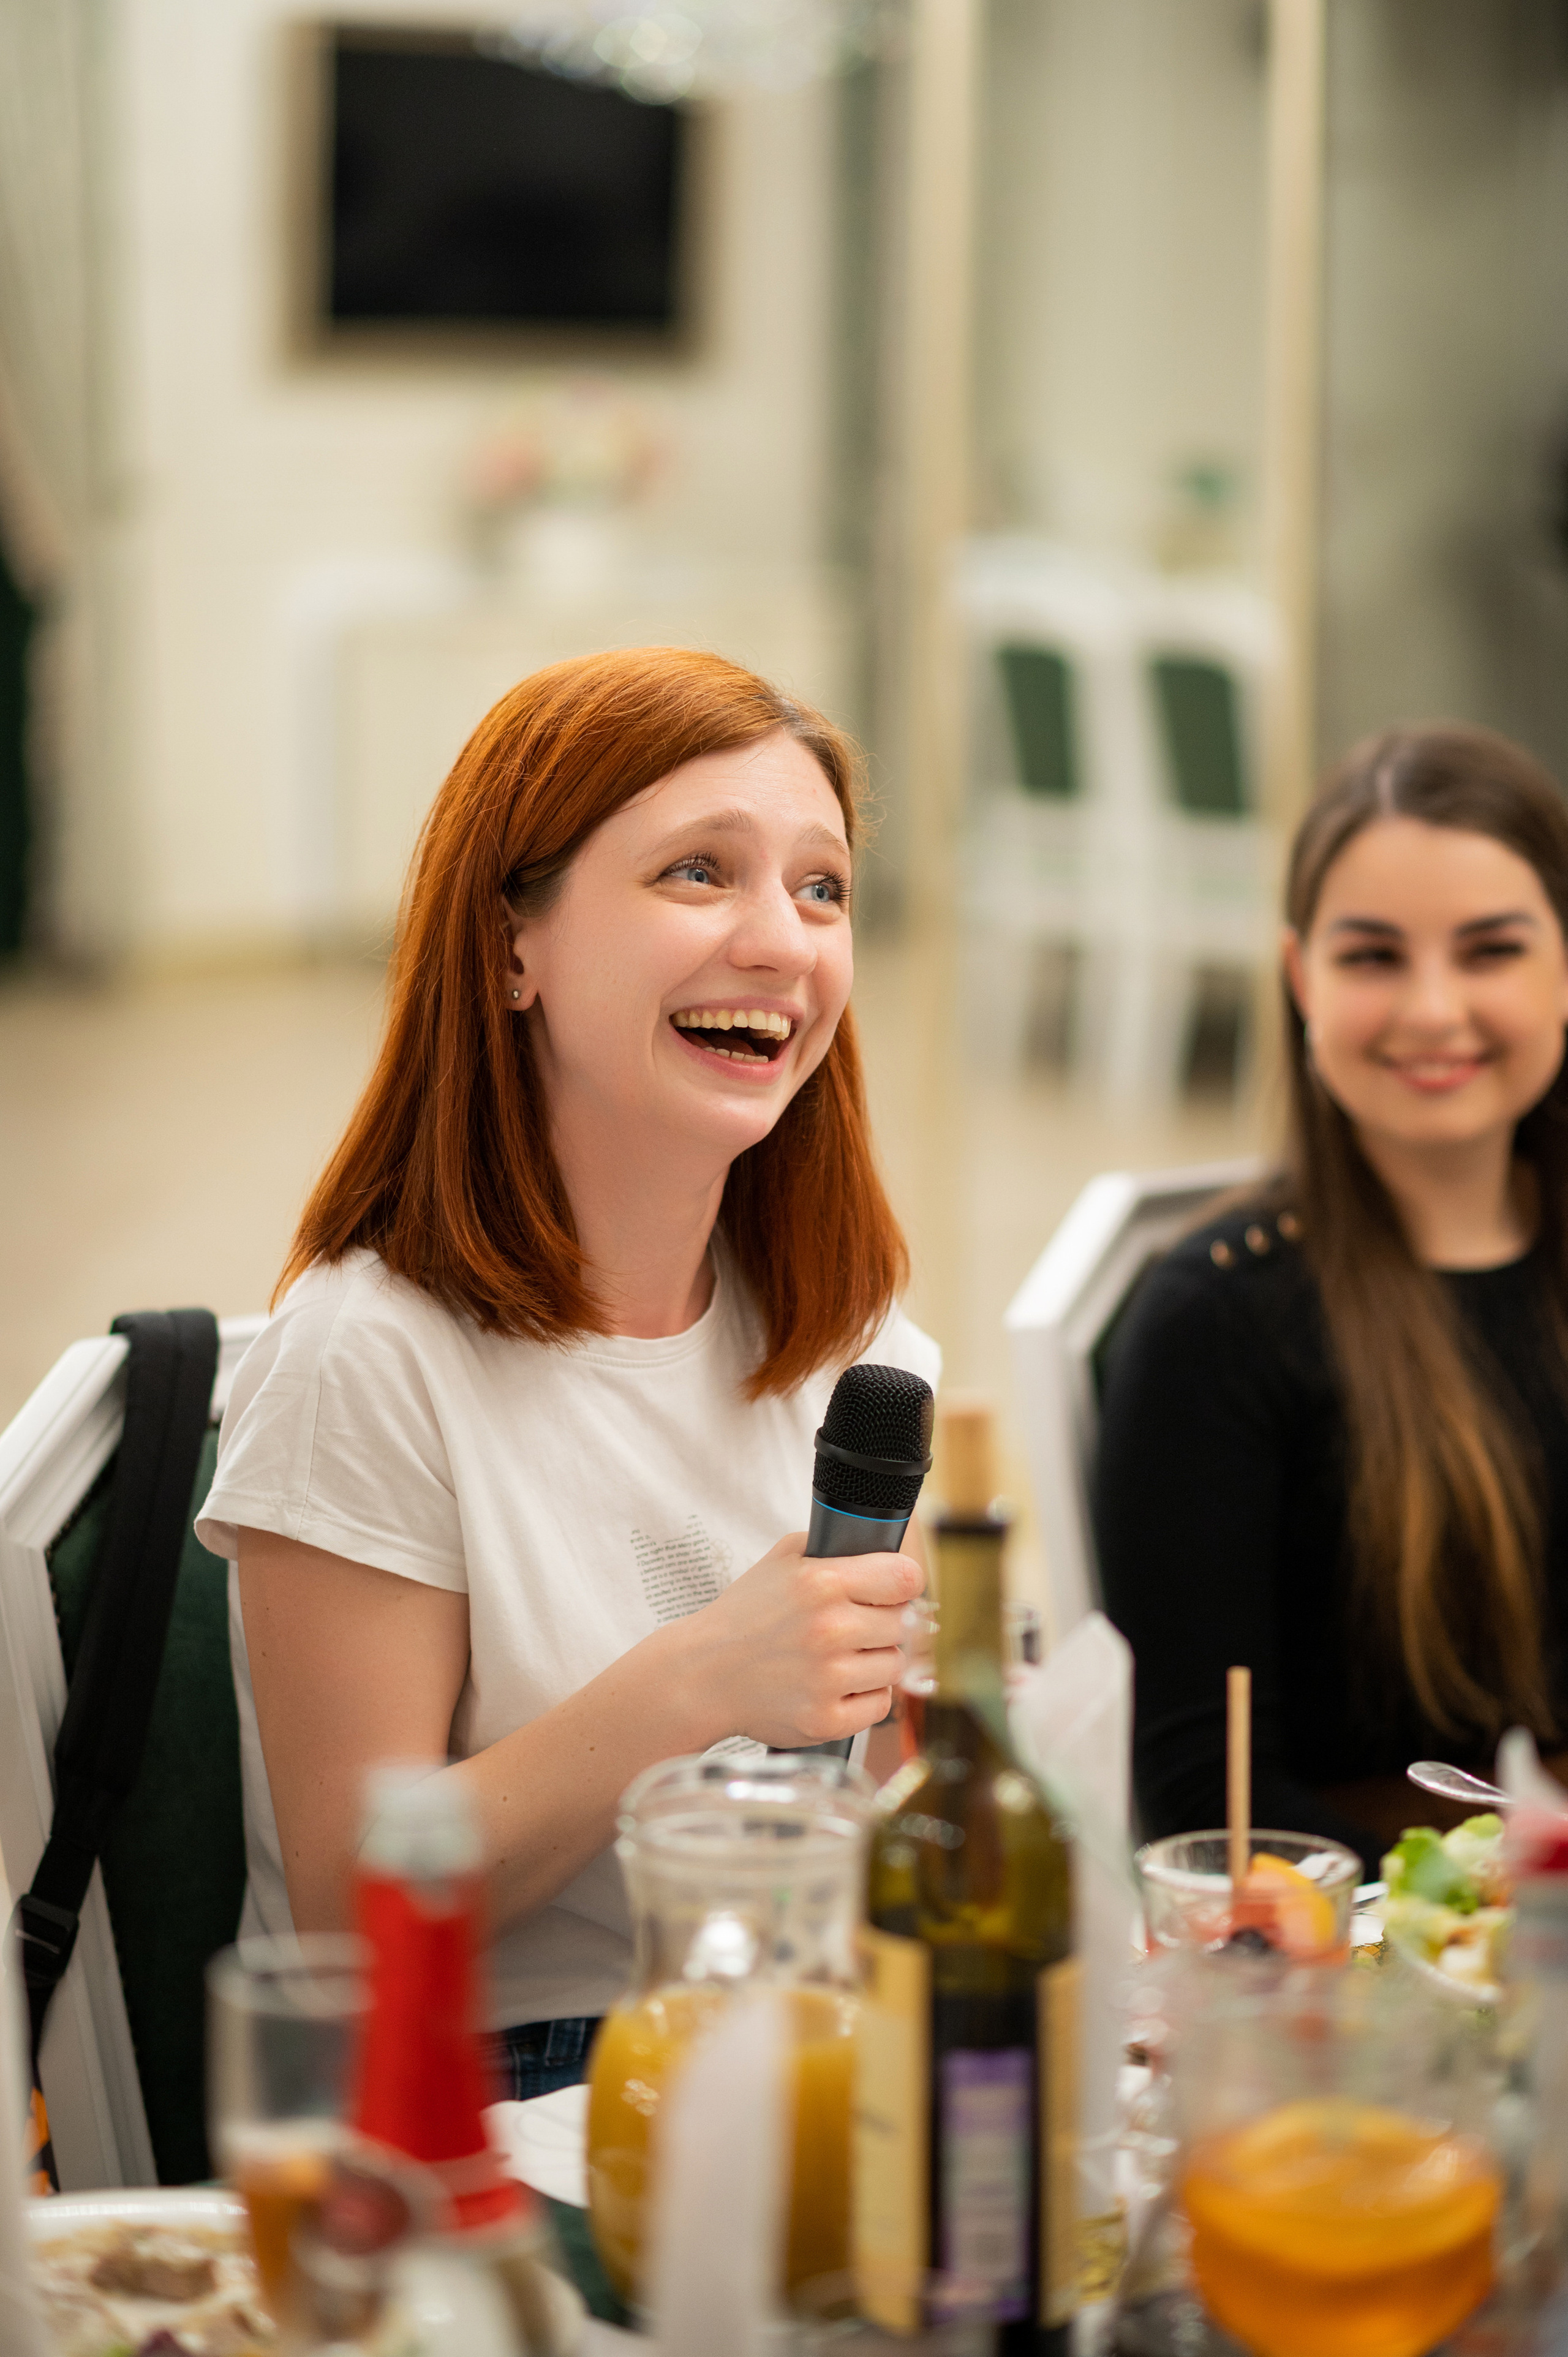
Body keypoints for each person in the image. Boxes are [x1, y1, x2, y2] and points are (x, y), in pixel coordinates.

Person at [196, 647, 938, 2096]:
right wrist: (702, 1677)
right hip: (478, 2094)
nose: (781, 942)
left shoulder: (855, 1341)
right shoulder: (370, 1355)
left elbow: (880, 1810)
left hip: (797, 2038)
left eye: (820, 887)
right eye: (696, 873)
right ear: (510, 945)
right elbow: (359, 1903)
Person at [1094, 721, 1568, 1876]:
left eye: (1491, 950)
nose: (1433, 1010)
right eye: (1374, 957)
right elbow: (1206, 1796)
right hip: (1401, 1969)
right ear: (1302, 978)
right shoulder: (1213, 1322)